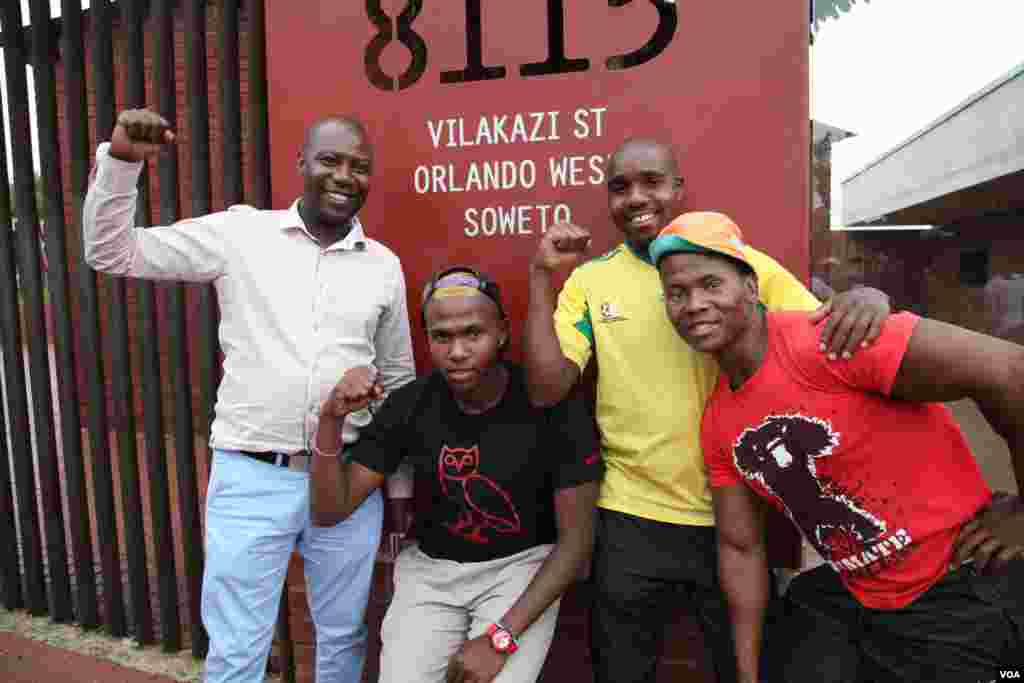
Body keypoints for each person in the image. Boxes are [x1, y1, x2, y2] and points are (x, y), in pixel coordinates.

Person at [523, 137, 893, 683]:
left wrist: (869, 297)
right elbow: (548, 389)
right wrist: (540, 278)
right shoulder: (590, 279)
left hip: (734, 512)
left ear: (678, 189)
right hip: (631, 516)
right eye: (620, 186)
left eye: (652, 181)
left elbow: (827, 336)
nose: (636, 197)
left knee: (743, 668)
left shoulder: (738, 264)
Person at [82, 109, 416, 682]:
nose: (344, 176)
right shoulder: (242, 235)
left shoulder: (384, 266)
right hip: (251, 477)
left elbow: (400, 381)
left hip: (347, 480)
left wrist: (400, 486)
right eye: (329, 160)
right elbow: (112, 253)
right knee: (238, 649)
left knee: (342, 639)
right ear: (301, 164)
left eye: (359, 167)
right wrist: (121, 164)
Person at [650, 211, 1024, 682]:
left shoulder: (832, 337)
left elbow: (1013, 372)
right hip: (862, 603)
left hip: (956, 589)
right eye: (677, 294)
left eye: (711, 284)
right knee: (806, 610)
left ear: (750, 287)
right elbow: (740, 550)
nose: (694, 304)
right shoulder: (719, 423)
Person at [309, 267, 603, 683]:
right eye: (442, 337)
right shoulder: (412, 404)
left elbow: (576, 544)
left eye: (472, 333)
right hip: (431, 573)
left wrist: (500, 638)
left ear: (501, 332)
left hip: (519, 569)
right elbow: (329, 509)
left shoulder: (549, 403)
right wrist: (330, 420)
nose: (458, 351)